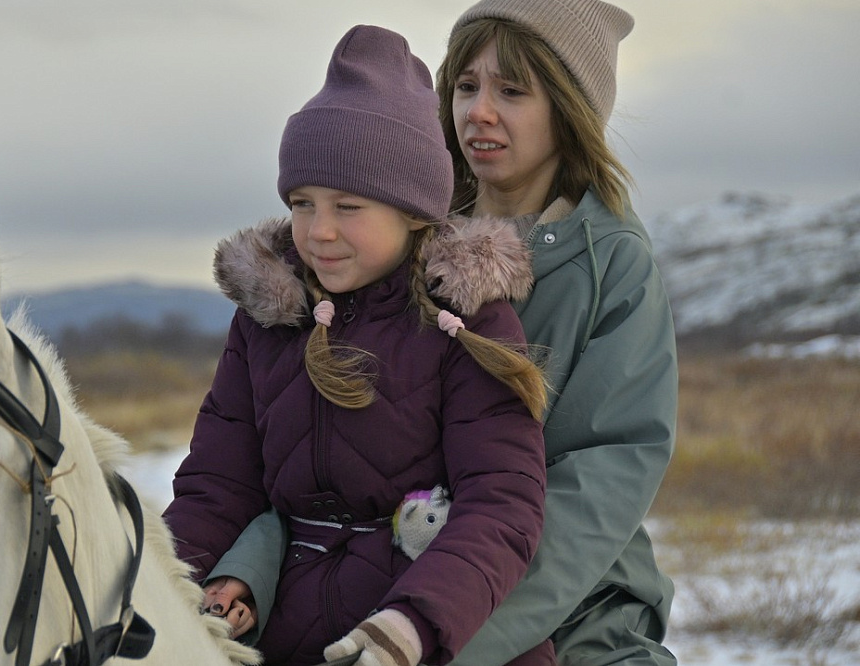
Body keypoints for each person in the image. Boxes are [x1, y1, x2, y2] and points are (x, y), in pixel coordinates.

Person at [202, 1, 680, 665]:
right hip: (384, 596)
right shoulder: (395, 228)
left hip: (566, 607)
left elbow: (598, 480)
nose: (478, 111)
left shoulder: (612, 264)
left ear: (569, 107)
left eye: (512, 91)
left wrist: (435, 634)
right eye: (465, 86)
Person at [162, 24, 552, 666]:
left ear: (412, 210)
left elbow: (502, 505)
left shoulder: (467, 320)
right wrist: (162, 589)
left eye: (348, 206)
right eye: (302, 202)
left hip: (436, 637)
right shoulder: (268, 317)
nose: (318, 231)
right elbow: (217, 485)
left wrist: (413, 625)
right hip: (284, 636)